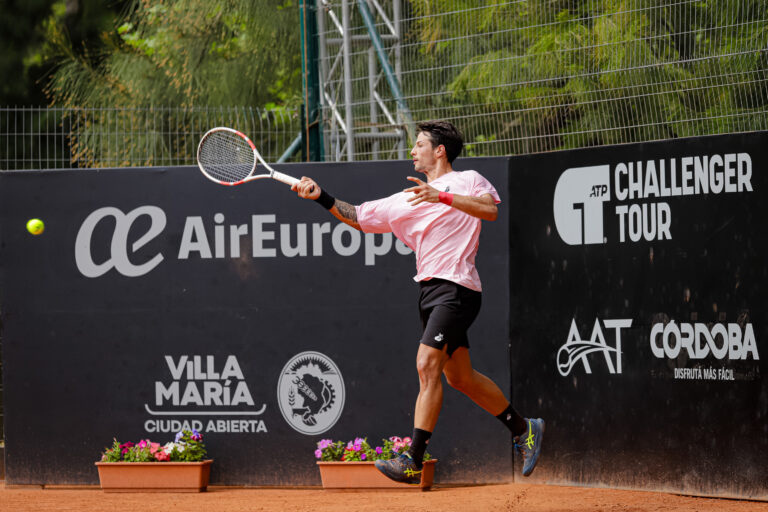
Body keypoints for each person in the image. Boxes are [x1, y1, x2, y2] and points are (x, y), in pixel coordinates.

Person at [291, 121, 544, 484]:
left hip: (458, 287)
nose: (412, 151)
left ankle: (413, 458)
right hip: (429, 292)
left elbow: (489, 211)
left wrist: (441, 196)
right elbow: (358, 217)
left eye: (420, 144)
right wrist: (320, 196)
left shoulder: (467, 179)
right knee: (459, 378)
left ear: (440, 150)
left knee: (427, 363)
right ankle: (525, 429)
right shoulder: (405, 198)